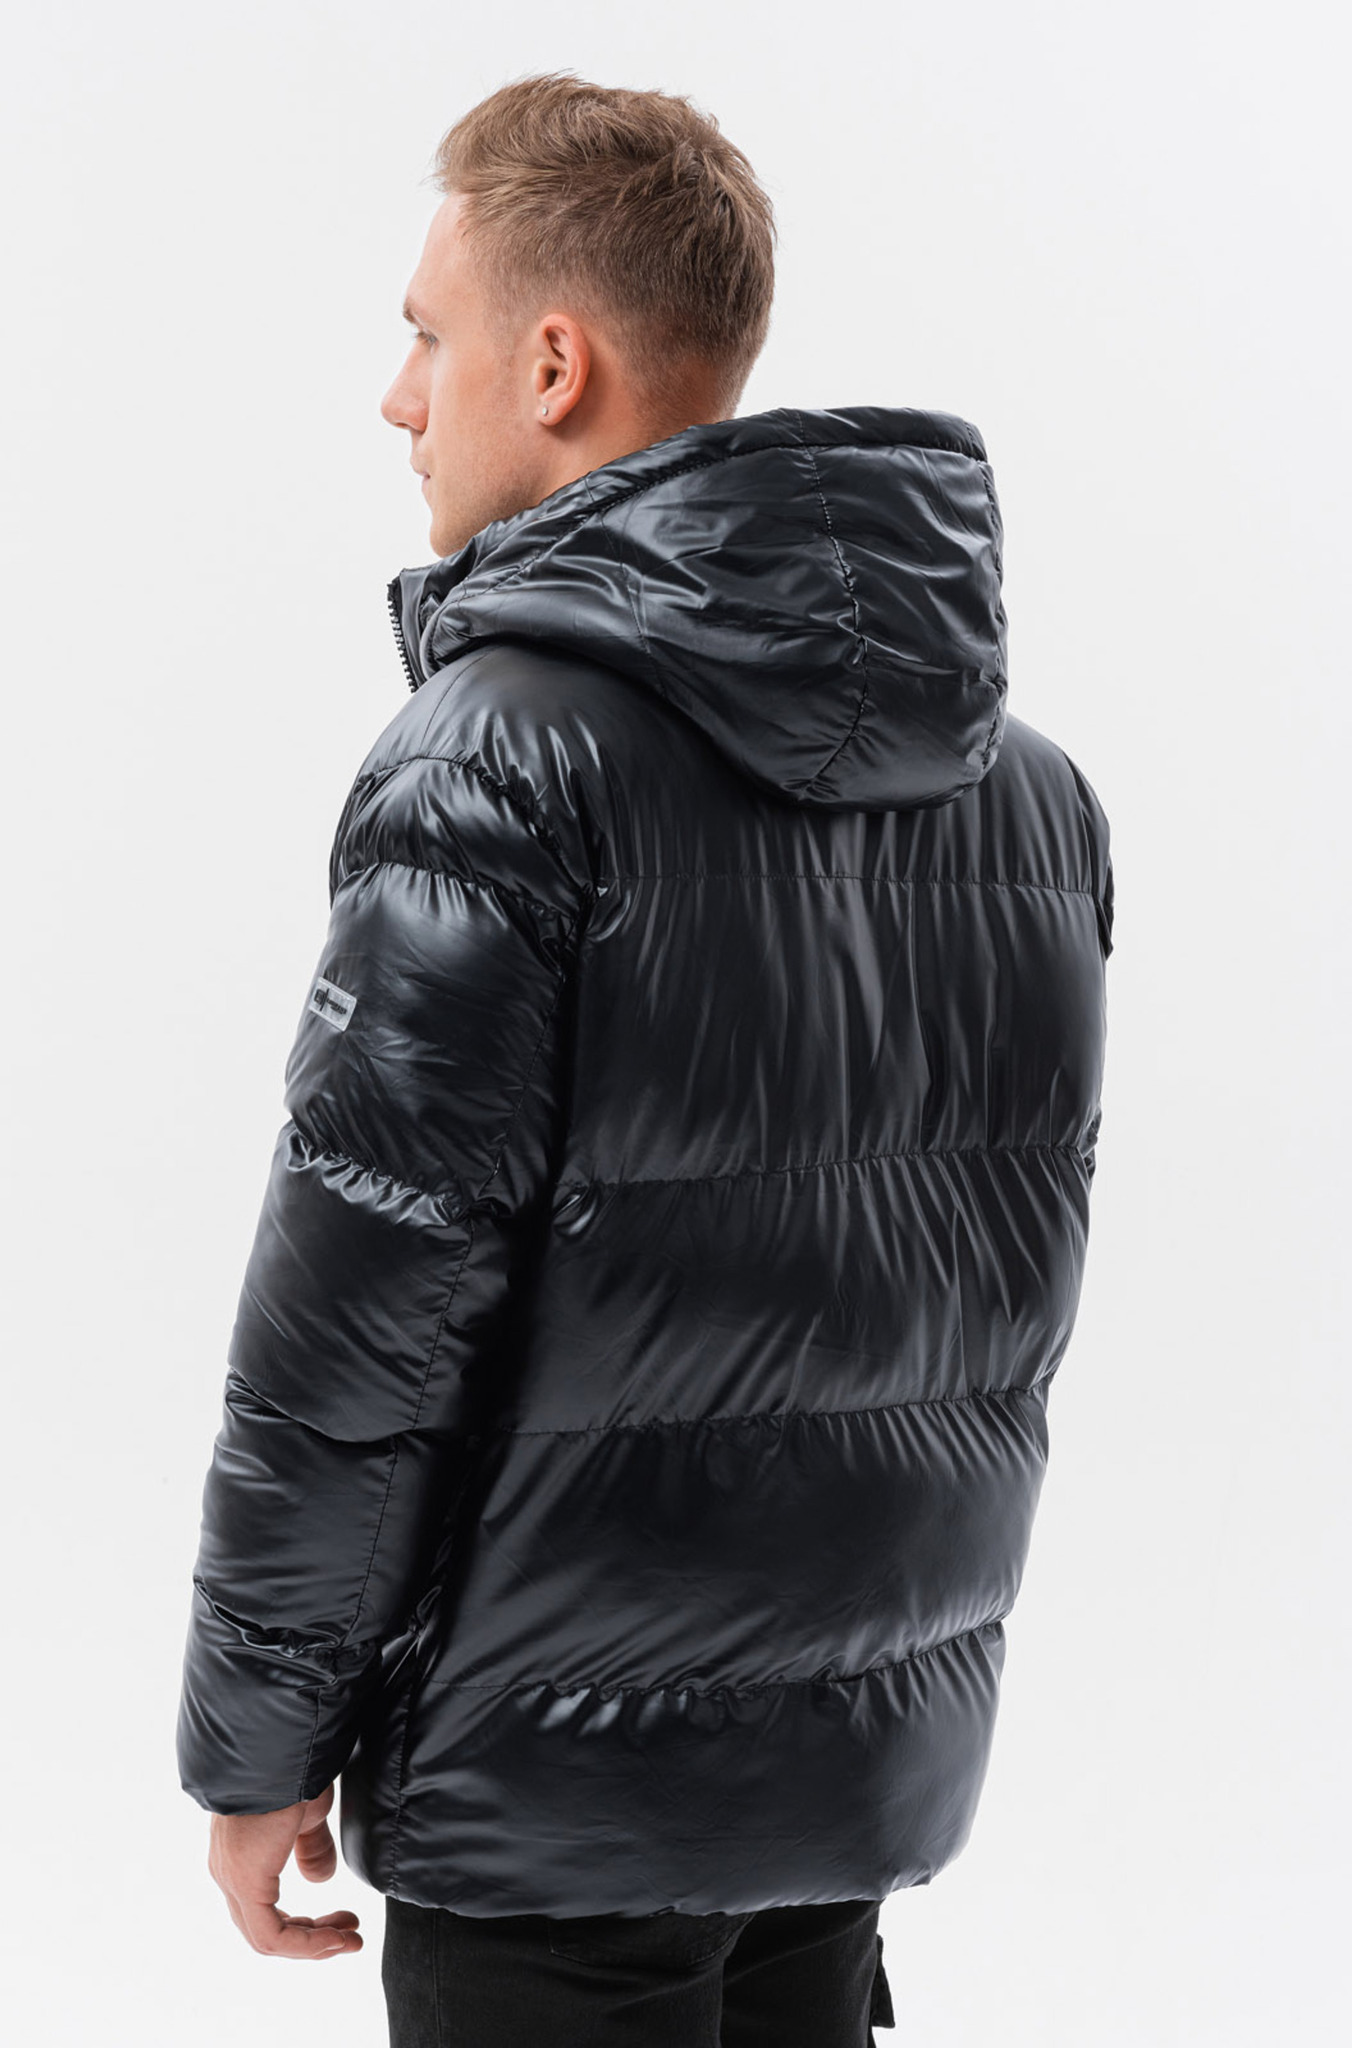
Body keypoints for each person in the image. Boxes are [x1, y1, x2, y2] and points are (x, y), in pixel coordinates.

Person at [176, 69, 1113, 2048]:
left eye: (427, 337)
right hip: (848, 1778)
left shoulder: (500, 758)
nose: (399, 397)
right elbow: (984, 1308)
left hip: (549, 1801)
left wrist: (257, 1742)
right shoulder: (1026, 803)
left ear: (553, 362)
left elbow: (365, 1319)